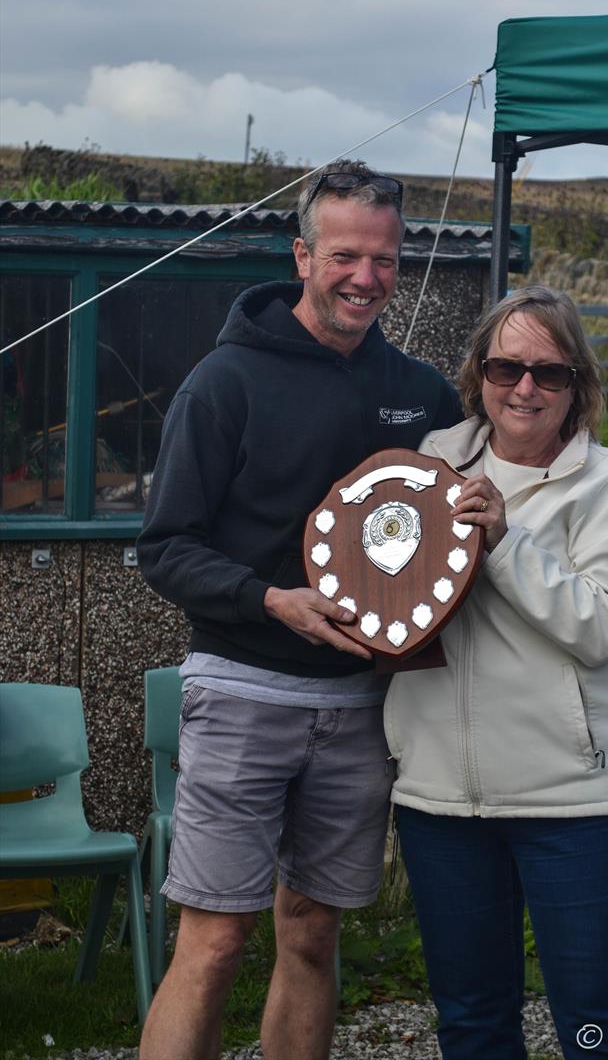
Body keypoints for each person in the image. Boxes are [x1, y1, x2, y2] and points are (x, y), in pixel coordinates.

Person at [136, 159, 462, 1060]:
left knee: (313, 933)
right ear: (303, 255)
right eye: (346, 256)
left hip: (360, 708)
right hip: (242, 690)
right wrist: (270, 599)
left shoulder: (420, 392)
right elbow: (163, 550)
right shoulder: (224, 382)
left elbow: (499, 467)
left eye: (386, 260)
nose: (366, 278)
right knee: (212, 944)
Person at [384, 287, 608, 1060]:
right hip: (443, 796)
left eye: (549, 372)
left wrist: (505, 542)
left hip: (578, 802)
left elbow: (604, 629)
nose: (525, 388)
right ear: (479, 371)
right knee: (471, 1025)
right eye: (507, 366)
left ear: (579, 385)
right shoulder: (430, 461)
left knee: (601, 1027)